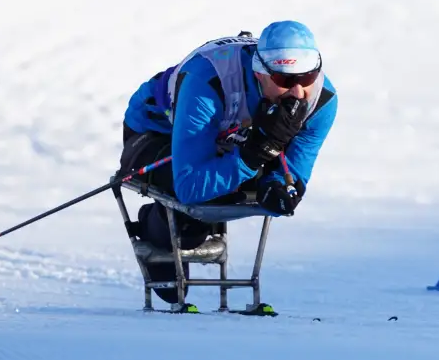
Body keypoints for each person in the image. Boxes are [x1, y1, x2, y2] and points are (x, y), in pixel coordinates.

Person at [118, 20, 338, 302]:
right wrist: (256, 152)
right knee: (197, 204)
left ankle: (186, 229)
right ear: (260, 73)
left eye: (307, 77)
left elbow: (294, 171)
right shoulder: (209, 82)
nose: (297, 92)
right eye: (284, 80)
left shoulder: (323, 100)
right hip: (158, 133)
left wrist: (280, 187)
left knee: (247, 189)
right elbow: (190, 186)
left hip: (232, 140)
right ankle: (157, 224)